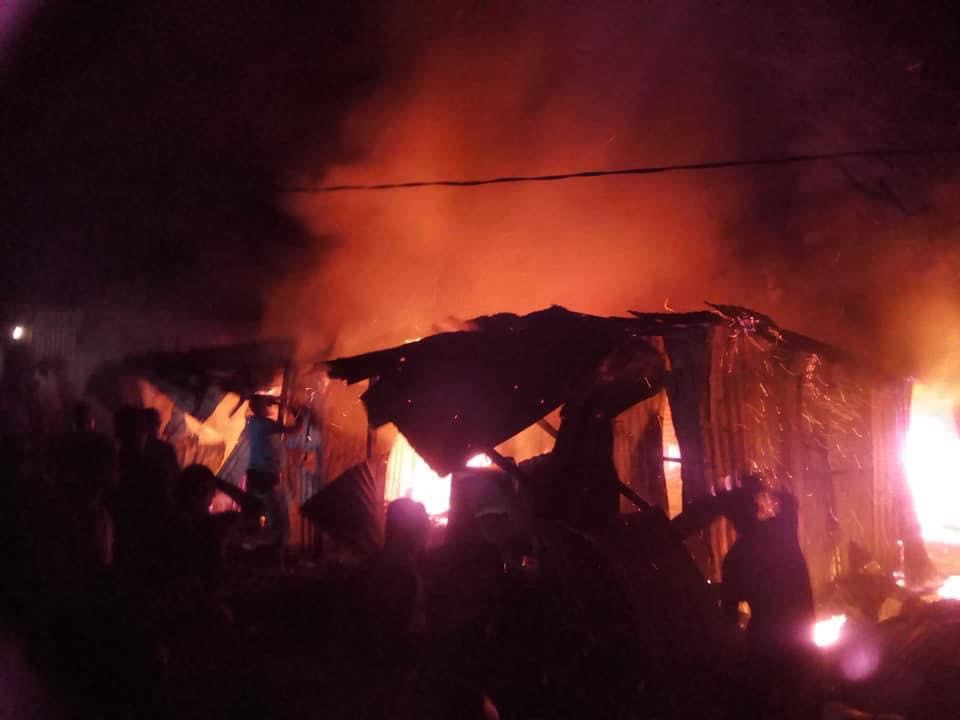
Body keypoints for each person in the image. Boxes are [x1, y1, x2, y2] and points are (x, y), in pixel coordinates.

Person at [244, 395, 302, 548]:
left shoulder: (251, 423)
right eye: (266, 405)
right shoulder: (265, 424)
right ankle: (272, 549)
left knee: (254, 514)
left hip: (254, 473)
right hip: (265, 475)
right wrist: (292, 407)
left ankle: (252, 548)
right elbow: (296, 429)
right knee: (276, 518)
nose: (268, 407)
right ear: (262, 407)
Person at [141, 408, 180, 502]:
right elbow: (176, 474)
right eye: (157, 423)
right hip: (161, 497)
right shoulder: (165, 449)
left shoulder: (136, 448)